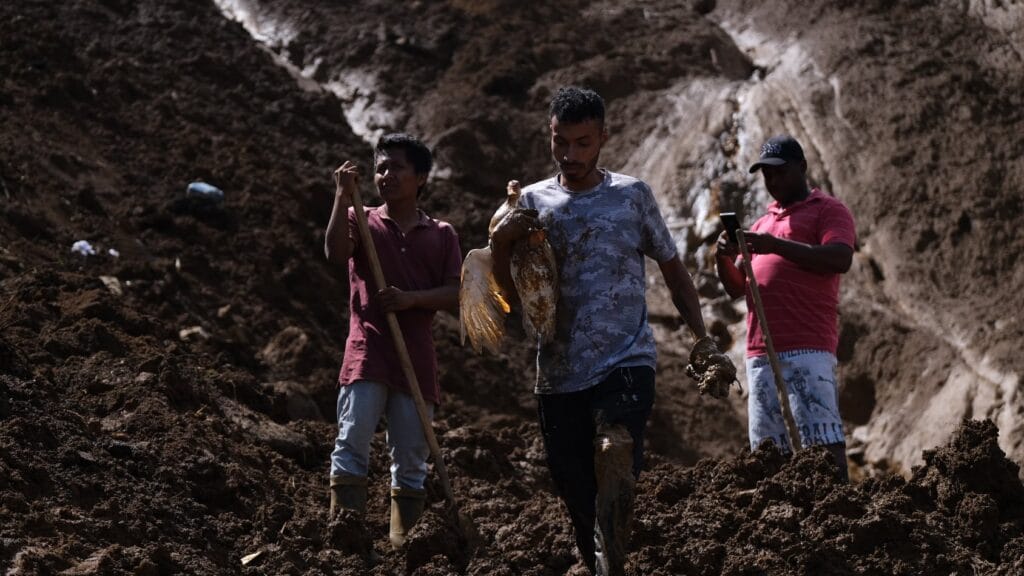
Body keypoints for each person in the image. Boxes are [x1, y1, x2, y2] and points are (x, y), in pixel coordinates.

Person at [490, 86, 730, 576]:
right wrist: (500, 243)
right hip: (559, 371)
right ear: (549, 135)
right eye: (560, 142)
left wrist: (701, 338)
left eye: (582, 143)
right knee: (575, 489)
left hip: (626, 358)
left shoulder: (631, 196)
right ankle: (604, 561)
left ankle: (612, 525)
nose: (570, 154)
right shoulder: (531, 203)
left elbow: (674, 271)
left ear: (603, 136)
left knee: (615, 449)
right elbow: (509, 297)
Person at [324, 133, 462, 548]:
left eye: (396, 167)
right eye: (380, 168)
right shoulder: (361, 219)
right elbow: (335, 254)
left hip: (415, 359)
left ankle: (405, 547)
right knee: (352, 444)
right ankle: (345, 543)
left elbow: (455, 293)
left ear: (420, 178)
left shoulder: (441, 234)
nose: (386, 175)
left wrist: (410, 300)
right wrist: (341, 198)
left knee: (411, 459)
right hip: (367, 352)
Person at [714, 134, 856, 482]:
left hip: (807, 348)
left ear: (802, 168)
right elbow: (737, 287)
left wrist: (774, 246)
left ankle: (838, 507)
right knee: (768, 452)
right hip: (760, 353)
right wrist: (723, 256)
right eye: (767, 175)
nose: (773, 181)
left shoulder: (827, 209)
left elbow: (840, 257)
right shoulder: (762, 224)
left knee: (821, 441)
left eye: (780, 172)